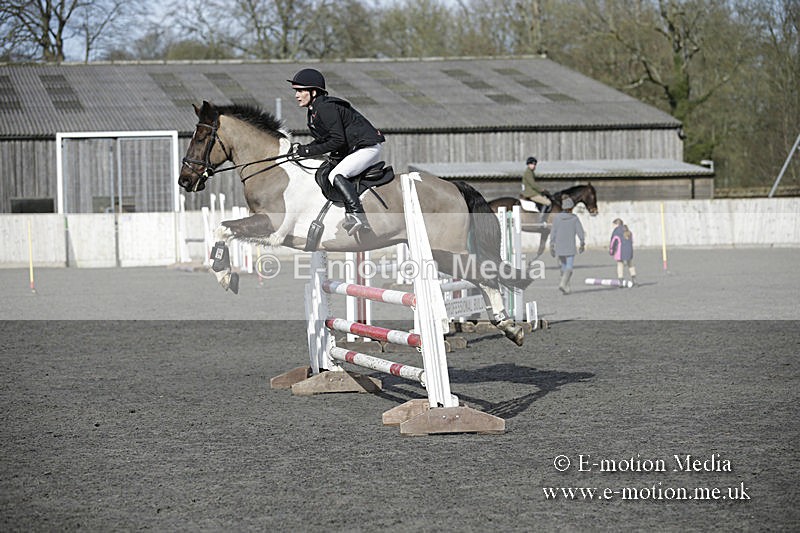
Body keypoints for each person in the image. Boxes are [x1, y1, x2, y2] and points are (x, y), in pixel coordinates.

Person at [287, 68, 385, 236]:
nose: (297, 95)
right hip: (354, 149)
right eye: (296, 91)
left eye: (301, 91)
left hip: (366, 147)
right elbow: (324, 140)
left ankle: (357, 215)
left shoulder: (326, 108)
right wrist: (302, 150)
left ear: (313, 92)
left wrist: (308, 150)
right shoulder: (314, 111)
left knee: (336, 175)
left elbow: (337, 141)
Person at [550, 197, 585, 294]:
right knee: (569, 267)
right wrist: (582, 242)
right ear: (571, 208)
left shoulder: (557, 218)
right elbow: (580, 231)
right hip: (570, 246)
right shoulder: (574, 218)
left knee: (563, 266)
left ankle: (567, 288)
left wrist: (551, 244)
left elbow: (553, 232)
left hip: (559, 246)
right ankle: (563, 283)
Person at [521, 156, 551, 223]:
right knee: (548, 203)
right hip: (531, 193)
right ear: (528, 164)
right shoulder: (528, 173)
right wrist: (542, 190)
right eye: (532, 164)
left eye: (535, 164)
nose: (534, 166)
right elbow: (533, 184)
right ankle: (541, 220)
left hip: (531, 192)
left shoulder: (530, 172)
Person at [609, 218, 637, 287]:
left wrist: (611, 251)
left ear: (616, 224)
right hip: (629, 250)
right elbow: (631, 241)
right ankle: (634, 280)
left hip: (620, 251)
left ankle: (621, 281)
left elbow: (613, 242)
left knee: (620, 264)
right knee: (630, 264)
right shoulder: (628, 231)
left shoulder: (616, 231)